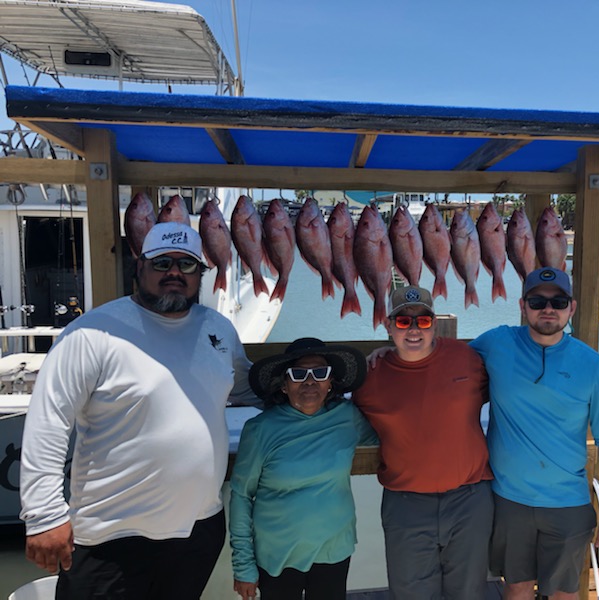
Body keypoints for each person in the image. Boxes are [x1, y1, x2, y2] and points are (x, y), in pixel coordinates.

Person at [19, 221, 257, 599]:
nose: (175, 272)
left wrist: (322, 391)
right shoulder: (90, 333)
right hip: (108, 537)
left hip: (197, 530)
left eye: (186, 264)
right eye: (162, 263)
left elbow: (249, 388)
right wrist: (44, 516)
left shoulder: (219, 329)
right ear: (139, 267)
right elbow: (48, 423)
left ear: (200, 274)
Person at [470, 267, 599, 600]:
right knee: (516, 588)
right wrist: (387, 352)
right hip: (508, 499)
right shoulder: (496, 343)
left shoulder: (592, 365)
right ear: (522, 306)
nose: (548, 309)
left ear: (572, 307)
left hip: (568, 502)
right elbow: (443, 360)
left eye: (559, 301)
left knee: (564, 594)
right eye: (538, 301)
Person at [353, 285, 493, 600]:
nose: (414, 330)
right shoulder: (370, 375)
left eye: (423, 321)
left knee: (469, 593)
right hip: (406, 504)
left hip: (470, 499)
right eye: (403, 321)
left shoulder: (466, 357)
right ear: (388, 326)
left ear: (435, 325)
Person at [230, 337, 378, 600]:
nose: (310, 381)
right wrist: (243, 566)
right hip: (277, 555)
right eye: (298, 375)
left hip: (334, 548)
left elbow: (391, 439)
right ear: (284, 385)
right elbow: (241, 495)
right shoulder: (260, 429)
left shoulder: (347, 417)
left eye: (320, 373)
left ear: (330, 382)